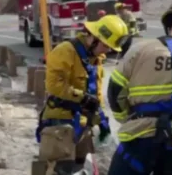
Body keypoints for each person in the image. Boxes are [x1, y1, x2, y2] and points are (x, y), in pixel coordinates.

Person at [34, 15, 129, 175]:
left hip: (83, 127)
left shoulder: (95, 58)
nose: (108, 50)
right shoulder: (66, 51)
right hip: (60, 126)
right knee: (53, 170)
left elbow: (94, 93)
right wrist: (82, 98)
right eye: (106, 46)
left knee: (77, 169)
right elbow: (54, 85)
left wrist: (100, 120)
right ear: (94, 38)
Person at [106, 2, 172, 174]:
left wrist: (127, 118)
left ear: (169, 28)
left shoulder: (140, 49)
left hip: (140, 137)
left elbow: (115, 91)